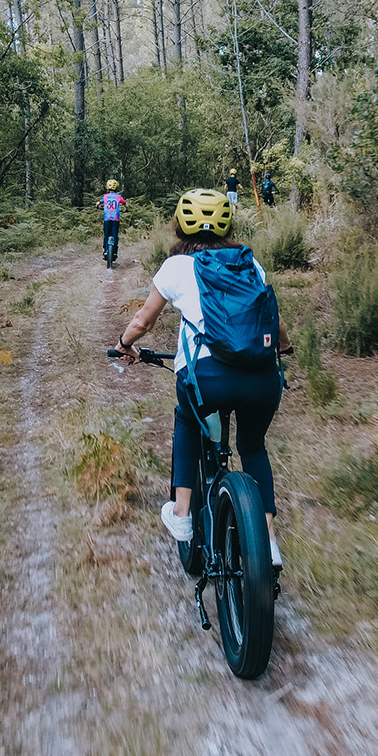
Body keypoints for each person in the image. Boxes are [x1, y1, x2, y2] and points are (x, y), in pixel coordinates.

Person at [114, 188, 289, 566]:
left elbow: (143, 321)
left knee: (188, 423)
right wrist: (285, 349)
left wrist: (125, 343)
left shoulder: (176, 267)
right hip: (262, 378)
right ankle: (269, 542)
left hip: (207, 378)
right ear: (227, 223)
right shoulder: (249, 263)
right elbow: (273, 319)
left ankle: (181, 515)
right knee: (253, 447)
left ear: (180, 224)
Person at [97, 179, 124, 263]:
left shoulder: (105, 196)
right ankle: (114, 252)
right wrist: (126, 209)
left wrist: (97, 206)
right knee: (115, 235)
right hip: (115, 219)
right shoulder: (119, 196)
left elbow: (98, 203)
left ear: (108, 188)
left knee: (106, 235)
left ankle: (105, 251)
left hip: (107, 219)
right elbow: (125, 204)